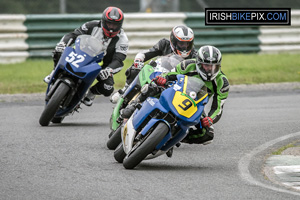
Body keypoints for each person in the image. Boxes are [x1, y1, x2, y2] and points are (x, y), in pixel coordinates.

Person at [122, 45, 230, 145]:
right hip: (176, 90)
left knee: (208, 135)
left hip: (195, 104)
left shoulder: (222, 82)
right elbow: (170, 75)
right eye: (206, 65)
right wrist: (163, 79)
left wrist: (210, 119)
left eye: (213, 66)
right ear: (198, 63)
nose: (209, 70)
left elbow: (218, 107)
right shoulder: (187, 65)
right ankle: (135, 104)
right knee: (154, 85)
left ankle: (176, 137)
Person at [44, 6, 129, 106]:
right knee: (58, 51)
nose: (111, 28)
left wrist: (109, 70)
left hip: (101, 66)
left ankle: (91, 93)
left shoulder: (123, 39)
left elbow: (119, 60)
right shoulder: (91, 25)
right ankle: (54, 72)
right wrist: (63, 43)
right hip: (81, 55)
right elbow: (73, 35)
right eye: (109, 23)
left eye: (115, 25)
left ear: (120, 25)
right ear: (103, 21)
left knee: (108, 87)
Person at [110, 25, 196, 103]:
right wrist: (139, 60)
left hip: (176, 83)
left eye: (188, 44)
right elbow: (147, 53)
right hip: (158, 74)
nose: (185, 47)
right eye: (181, 43)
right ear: (173, 41)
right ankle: (126, 89)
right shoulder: (164, 44)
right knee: (135, 68)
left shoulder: (194, 55)